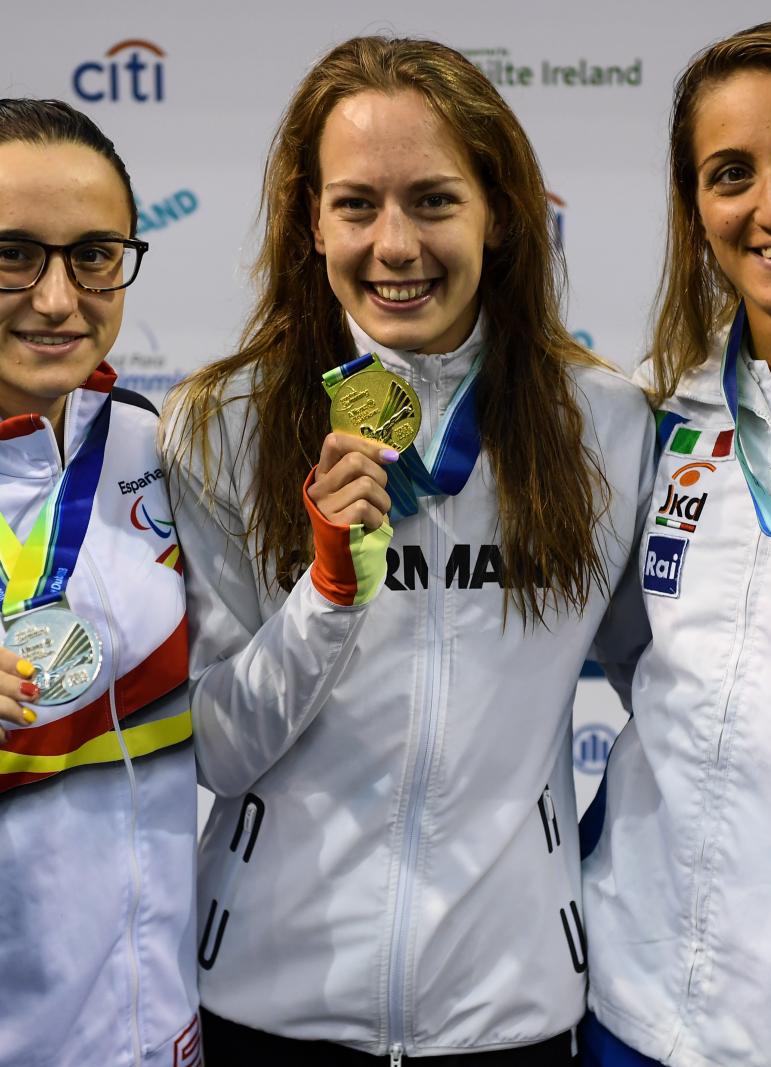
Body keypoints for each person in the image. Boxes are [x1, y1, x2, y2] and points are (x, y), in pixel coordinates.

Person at [164, 36, 653, 1066]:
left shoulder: (602, 421)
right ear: (310, 221)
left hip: (508, 1010)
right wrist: (326, 592)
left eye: (432, 200)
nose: (395, 244)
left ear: (499, 213)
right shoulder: (220, 420)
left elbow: (669, 677)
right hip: (270, 1003)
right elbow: (211, 744)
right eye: (356, 205)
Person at [580, 20, 771, 1067]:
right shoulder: (660, 423)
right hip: (635, 998)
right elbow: (629, 658)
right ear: (693, 208)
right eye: (731, 174)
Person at [0, 100, 199, 1067]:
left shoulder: (159, 448)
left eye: (93, 254)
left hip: (157, 1030)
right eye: (11, 254)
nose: (55, 298)